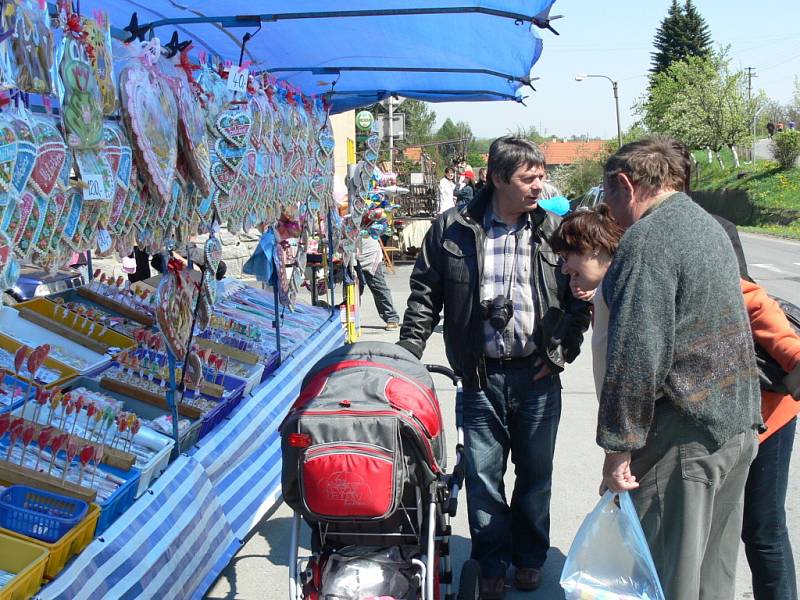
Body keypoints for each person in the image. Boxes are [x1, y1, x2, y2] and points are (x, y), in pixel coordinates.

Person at [398, 136, 591, 599]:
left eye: (542, 176)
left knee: (535, 475)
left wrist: (560, 352)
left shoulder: (553, 229)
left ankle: (529, 557)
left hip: (539, 377)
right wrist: (405, 357)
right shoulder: (450, 229)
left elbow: (578, 301)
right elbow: (425, 297)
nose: (539, 186)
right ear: (498, 178)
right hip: (479, 378)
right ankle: (491, 562)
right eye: (529, 178)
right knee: (483, 479)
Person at [595, 137, 762, 600]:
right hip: (732, 428)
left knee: (670, 581)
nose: (607, 207)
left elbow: (637, 351)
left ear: (626, 184)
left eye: (607, 194)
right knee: (712, 581)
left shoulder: (648, 239)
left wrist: (618, 446)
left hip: (684, 437)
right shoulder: (706, 224)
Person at [356, 235, 400, 330]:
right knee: (353, 290)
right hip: (352, 254)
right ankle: (351, 318)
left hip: (370, 254)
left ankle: (391, 317)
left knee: (378, 287)